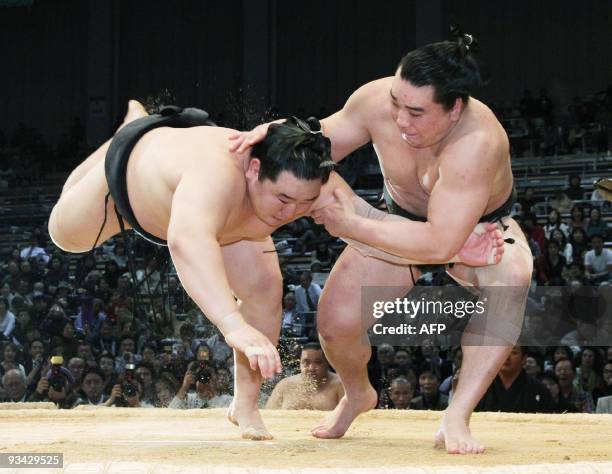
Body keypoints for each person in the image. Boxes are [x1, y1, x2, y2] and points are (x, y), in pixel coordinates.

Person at [49, 99, 501, 439]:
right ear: (254, 169)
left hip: (231, 224)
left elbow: (373, 226)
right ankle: (127, 128)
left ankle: (245, 404)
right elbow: (187, 243)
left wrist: (453, 250)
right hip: (131, 178)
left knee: (266, 285)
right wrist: (231, 324)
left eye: (304, 204)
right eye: (283, 199)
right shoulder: (216, 176)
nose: (292, 213)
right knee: (64, 236)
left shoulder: (308, 183)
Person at [231, 33, 531, 453]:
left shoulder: (477, 144)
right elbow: (319, 144)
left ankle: (458, 413)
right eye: (395, 102)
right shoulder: (375, 101)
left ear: (454, 110)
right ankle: (358, 394)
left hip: (477, 231)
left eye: (415, 112)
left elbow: (438, 243)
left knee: (512, 276)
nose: (400, 120)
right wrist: (282, 137)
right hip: (398, 222)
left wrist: (350, 222)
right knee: (334, 325)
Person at [475, 345, 555, 413]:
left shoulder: (538, 390)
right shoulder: (480, 388)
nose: (507, 357)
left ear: (524, 359)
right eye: (502, 352)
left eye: (513, 352)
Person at [265, 342, 344, 410]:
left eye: (318, 362)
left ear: (328, 363)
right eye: (306, 362)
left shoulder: (340, 385)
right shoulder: (285, 384)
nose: (311, 368)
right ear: (300, 363)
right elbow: (268, 414)